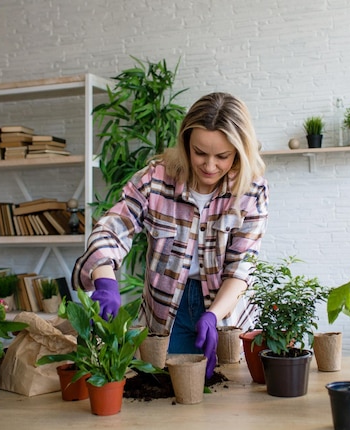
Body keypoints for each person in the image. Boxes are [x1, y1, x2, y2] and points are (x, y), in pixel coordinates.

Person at [72, 92, 269, 378]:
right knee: (165, 393)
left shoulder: (252, 190)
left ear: (239, 152)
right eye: (200, 152)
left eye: (222, 156)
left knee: (228, 400)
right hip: (166, 313)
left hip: (225, 312)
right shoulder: (156, 179)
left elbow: (241, 269)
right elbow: (112, 228)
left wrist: (213, 316)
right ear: (186, 142)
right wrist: (104, 280)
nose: (209, 166)